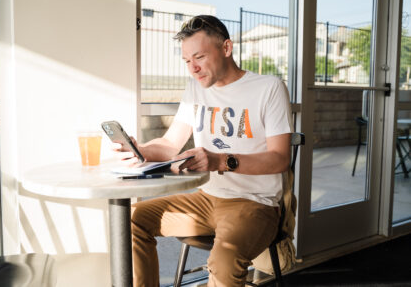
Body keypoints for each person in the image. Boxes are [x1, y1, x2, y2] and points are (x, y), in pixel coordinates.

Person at [116, 15, 293, 287]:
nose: (193, 69)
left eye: (199, 57)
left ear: (226, 48)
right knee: (130, 221)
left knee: (223, 262)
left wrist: (219, 160)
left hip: (254, 203)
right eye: (187, 61)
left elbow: (280, 158)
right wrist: (141, 150)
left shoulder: (269, 88)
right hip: (206, 199)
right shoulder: (195, 89)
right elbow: (169, 144)